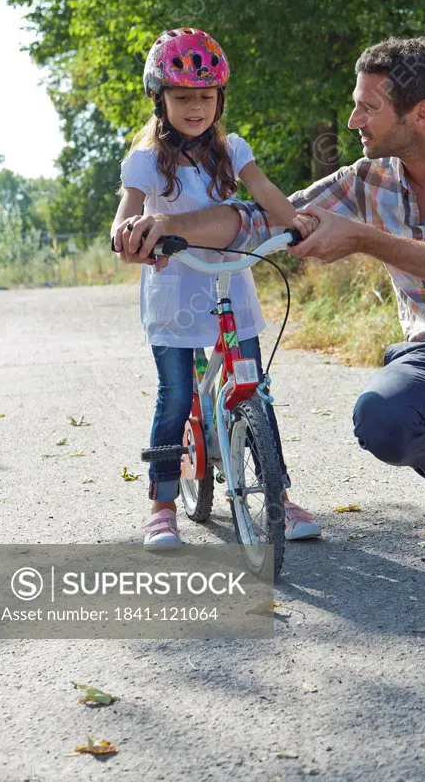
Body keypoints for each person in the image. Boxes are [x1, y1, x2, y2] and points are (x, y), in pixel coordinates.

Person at [117, 35, 425, 573]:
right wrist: (167, 225)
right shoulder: (368, 179)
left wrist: (365, 238)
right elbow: (260, 218)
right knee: (379, 418)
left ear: (420, 113)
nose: (353, 120)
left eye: (367, 107)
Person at [111, 27, 321, 548]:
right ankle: (162, 505)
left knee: (254, 388)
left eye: (206, 96)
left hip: (229, 280)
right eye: (182, 96)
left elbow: (265, 191)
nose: (196, 107)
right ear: (160, 100)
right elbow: (127, 214)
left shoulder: (231, 150)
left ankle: (280, 497)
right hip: (175, 288)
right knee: (177, 393)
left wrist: (295, 222)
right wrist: (124, 233)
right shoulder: (145, 160)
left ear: (220, 98)